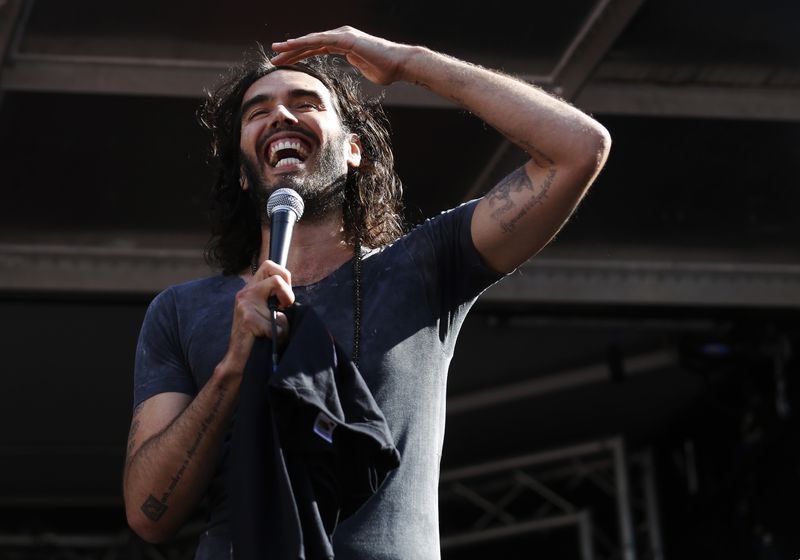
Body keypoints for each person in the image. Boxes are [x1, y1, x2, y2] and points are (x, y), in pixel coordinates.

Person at [123, 26, 611, 559]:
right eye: (257, 112)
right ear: (243, 173)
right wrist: (232, 368)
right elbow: (149, 512)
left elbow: (578, 149)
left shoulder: (427, 265)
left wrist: (408, 61)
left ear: (354, 150)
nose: (281, 116)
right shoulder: (181, 311)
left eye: (305, 103)